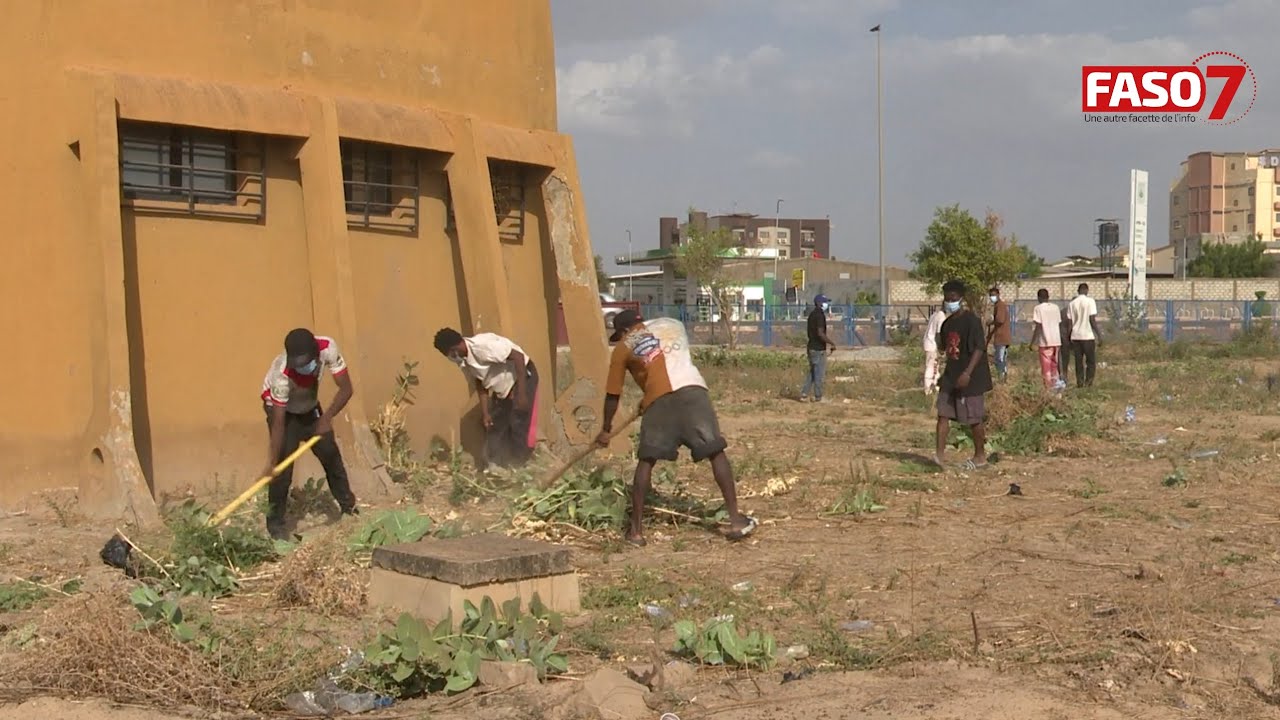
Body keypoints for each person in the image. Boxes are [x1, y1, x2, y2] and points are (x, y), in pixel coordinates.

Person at [595, 310, 756, 546]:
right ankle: (735, 521)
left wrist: (606, 429)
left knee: (646, 460)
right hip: (693, 392)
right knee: (715, 450)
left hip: (658, 402)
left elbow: (613, 394)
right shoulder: (673, 324)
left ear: (623, 331)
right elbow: (664, 361)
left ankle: (636, 532)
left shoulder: (622, 348)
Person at [260, 328, 358, 540]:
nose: (302, 368)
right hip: (283, 414)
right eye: (298, 365)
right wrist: (272, 463)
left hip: (310, 408)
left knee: (331, 455)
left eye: (305, 363)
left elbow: (346, 389)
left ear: (316, 355)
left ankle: (349, 509)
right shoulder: (281, 375)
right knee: (282, 470)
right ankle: (276, 525)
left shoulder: (328, 348)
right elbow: (278, 424)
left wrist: (326, 418)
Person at [433, 328, 539, 469]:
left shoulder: (482, 347)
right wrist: (485, 413)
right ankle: (496, 466)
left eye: (448, 354)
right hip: (503, 388)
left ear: (454, 349)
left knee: (518, 422)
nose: (450, 358)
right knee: (495, 426)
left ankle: (522, 465)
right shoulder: (463, 361)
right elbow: (480, 383)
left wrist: (522, 394)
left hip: (523, 377)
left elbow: (518, 357)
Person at [934, 280, 993, 470]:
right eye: (946, 298)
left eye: (953, 298)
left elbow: (979, 348)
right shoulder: (947, 323)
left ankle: (980, 457)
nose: (949, 302)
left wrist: (967, 373)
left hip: (971, 376)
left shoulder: (971, 321)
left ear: (961, 298)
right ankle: (939, 457)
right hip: (952, 375)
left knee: (973, 418)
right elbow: (945, 348)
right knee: (943, 414)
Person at [801, 294, 836, 402]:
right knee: (819, 374)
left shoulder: (812, 315)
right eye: (825, 302)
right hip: (818, 349)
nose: (826, 304)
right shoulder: (820, 315)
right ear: (819, 303)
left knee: (812, 372)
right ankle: (818, 397)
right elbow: (820, 333)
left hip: (811, 347)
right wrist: (831, 343)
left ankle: (804, 394)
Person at [1029, 288, 1065, 391]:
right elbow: (1058, 323)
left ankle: (1048, 389)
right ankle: (1056, 386)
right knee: (1054, 365)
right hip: (1056, 341)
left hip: (1045, 341)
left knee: (1046, 367)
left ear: (1039, 298)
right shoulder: (1055, 308)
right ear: (1048, 297)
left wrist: (1032, 342)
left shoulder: (1038, 308)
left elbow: (1038, 326)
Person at [1067, 283, 1102, 387]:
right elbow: (1092, 320)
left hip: (1076, 336)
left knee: (1078, 361)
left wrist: (1069, 337)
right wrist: (1099, 334)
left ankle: (1080, 382)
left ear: (1078, 291)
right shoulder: (1090, 301)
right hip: (1087, 336)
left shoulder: (1072, 303)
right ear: (1087, 290)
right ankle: (1089, 382)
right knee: (1090, 361)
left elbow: (1070, 323)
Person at [987, 286, 1011, 381]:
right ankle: (1002, 376)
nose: (992, 297)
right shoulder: (998, 305)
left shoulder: (1000, 305)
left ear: (998, 295)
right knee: (1001, 358)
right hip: (1001, 337)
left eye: (993, 295)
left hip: (1002, 337)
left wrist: (991, 323)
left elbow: (1000, 320)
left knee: (1000, 359)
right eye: (990, 295)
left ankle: (1002, 377)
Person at [922, 304, 947, 395]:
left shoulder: (935, 314)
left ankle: (935, 387)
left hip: (928, 343)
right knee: (931, 366)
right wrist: (941, 348)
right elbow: (938, 334)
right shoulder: (941, 317)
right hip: (932, 345)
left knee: (935, 366)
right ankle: (928, 390)